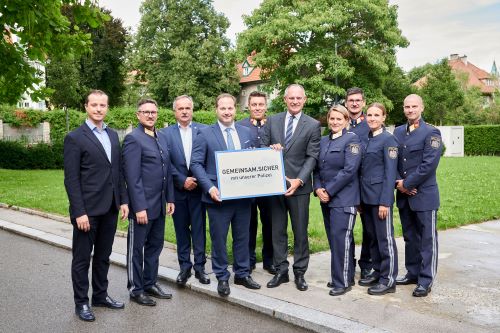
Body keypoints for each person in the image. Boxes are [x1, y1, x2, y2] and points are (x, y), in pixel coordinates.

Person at [63, 90, 129, 322]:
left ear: (107, 107)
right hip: (87, 211)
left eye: (103, 105)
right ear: (86, 107)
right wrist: (79, 212)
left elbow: (117, 172)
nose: (99, 109)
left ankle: (100, 295)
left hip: (110, 208)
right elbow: (71, 179)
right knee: (82, 259)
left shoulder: (112, 135)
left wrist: (123, 201)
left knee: (103, 256)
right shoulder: (75, 137)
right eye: (94, 105)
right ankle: (81, 302)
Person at [191, 93, 261, 297]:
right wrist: (209, 188)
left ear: (235, 110)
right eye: (223, 108)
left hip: (242, 197)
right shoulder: (205, 134)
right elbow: (195, 164)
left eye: (230, 108)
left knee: (243, 237)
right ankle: (222, 276)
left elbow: (253, 160)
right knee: (219, 239)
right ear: (216, 110)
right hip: (217, 197)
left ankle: (242, 273)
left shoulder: (245, 131)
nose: (227, 112)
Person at [261, 84, 321, 291]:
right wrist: (270, 149)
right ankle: (281, 271)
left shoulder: (313, 125)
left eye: (299, 98)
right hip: (275, 186)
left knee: (300, 231)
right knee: (277, 231)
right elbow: (262, 148)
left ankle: (300, 272)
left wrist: (300, 180)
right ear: (285, 99)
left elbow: (312, 156)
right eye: (291, 98)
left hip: (299, 188)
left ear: (305, 100)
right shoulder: (273, 120)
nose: (295, 101)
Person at [123, 98, 175, 306]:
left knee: (155, 246)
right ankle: (136, 289)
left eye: (153, 112)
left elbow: (167, 171)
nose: (150, 115)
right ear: (138, 115)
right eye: (146, 112)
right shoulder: (133, 139)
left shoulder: (161, 137)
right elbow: (132, 177)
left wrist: (170, 198)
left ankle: (150, 282)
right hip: (142, 207)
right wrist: (139, 207)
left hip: (160, 205)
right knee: (137, 249)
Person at [393, 94, 442, 297]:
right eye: (407, 106)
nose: (410, 110)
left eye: (414, 106)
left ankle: (425, 279)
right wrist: (399, 183)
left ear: (421, 107)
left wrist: (408, 183)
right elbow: (391, 160)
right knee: (410, 238)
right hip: (404, 196)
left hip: (424, 195)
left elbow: (429, 165)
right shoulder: (397, 132)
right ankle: (412, 273)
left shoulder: (431, 133)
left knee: (427, 239)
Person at [158, 95, 210, 286]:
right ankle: (184, 268)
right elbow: (164, 162)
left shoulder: (204, 130)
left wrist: (197, 179)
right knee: (181, 231)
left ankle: (200, 268)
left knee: (198, 230)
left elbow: (208, 158)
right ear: (175, 111)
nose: (185, 111)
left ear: (192, 110)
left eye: (188, 108)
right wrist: (182, 180)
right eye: (181, 109)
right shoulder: (164, 134)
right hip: (177, 191)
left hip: (199, 190)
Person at [313, 104, 361, 296]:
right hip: (325, 199)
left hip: (344, 198)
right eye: (332, 119)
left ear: (346, 121)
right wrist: (317, 189)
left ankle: (342, 282)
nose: (334, 122)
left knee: (342, 240)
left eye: (339, 119)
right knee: (335, 240)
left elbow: (349, 170)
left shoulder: (353, 141)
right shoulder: (324, 141)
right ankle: (343, 276)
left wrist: (329, 190)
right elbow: (316, 168)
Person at [357, 103, 399, 295]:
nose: (372, 118)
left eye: (376, 115)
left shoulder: (389, 140)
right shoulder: (365, 139)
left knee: (385, 239)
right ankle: (378, 271)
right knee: (372, 238)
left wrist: (385, 202)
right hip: (366, 198)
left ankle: (388, 279)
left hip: (380, 199)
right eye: (370, 115)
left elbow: (390, 174)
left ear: (384, 118)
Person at [236, 91, 275, 274]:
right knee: (248, 224)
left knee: (270, 223)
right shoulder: (239, 126)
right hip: (247, 185)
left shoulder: (274, 125)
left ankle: (270, 260)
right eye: (254, 105)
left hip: (268, 186)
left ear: (266, 106)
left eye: (261, 104)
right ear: (248, 106)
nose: (258, 108)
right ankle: (248, 260)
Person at [345, 87, 372, 279]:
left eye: (358, 100)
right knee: (345, 229)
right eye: (351, 100)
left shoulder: (370, 125)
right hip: (345, 187)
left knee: (369, 229)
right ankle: (348, 263)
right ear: (346, 102)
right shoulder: (341, 123)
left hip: (365, 187)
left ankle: (366, 265)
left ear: (363, 103)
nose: (354, 103)